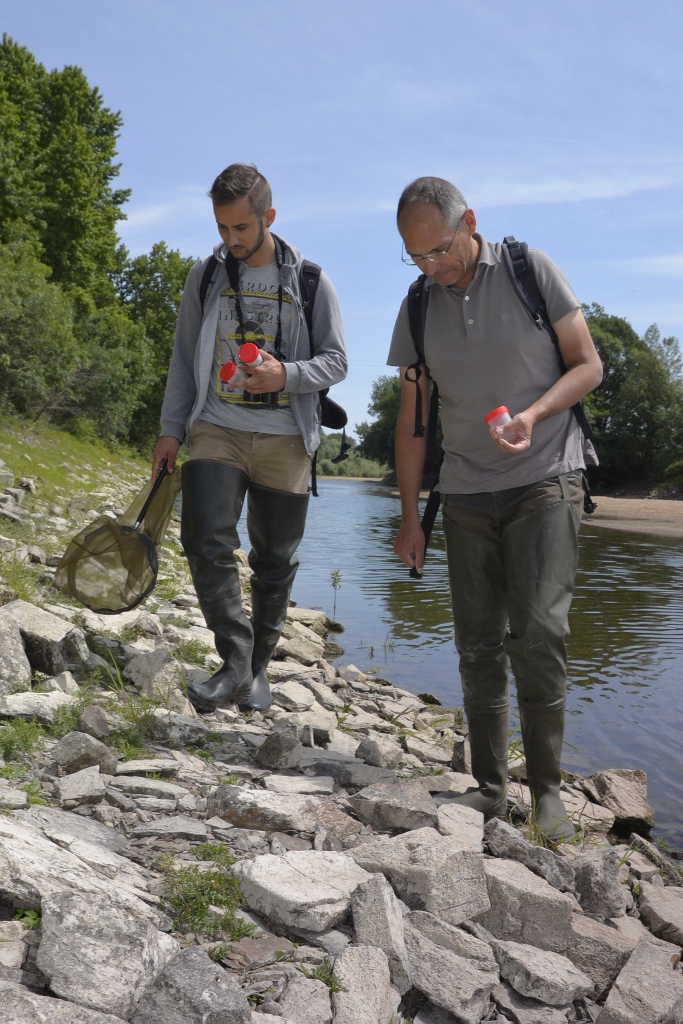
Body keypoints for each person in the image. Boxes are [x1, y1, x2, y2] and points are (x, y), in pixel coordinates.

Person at [388, 177, 603, 840]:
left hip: (546, 476)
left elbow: (588, 365)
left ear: (469, 222)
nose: (432, 266)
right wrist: (406, 515)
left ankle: (544, 793)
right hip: (465, 491)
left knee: (537, 633)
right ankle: (487, 788)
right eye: (416, 256)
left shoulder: (527, 270)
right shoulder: (419, 304)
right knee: (477, 645)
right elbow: (413, 423)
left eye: (441, 250)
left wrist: (535, 415)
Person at [152, 163, 347, 714]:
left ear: (269, 217)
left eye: (241, 228)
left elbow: (336, 361)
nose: (231, 240)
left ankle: (258, 671)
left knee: (274, 561)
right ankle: (235, 659)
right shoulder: (205, 277)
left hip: (288, 437)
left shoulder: (311, 281)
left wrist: (286, 374)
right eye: (222, 228)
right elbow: (183, 362)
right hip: (217, 426)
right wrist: (171, 430)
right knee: (203, 537)